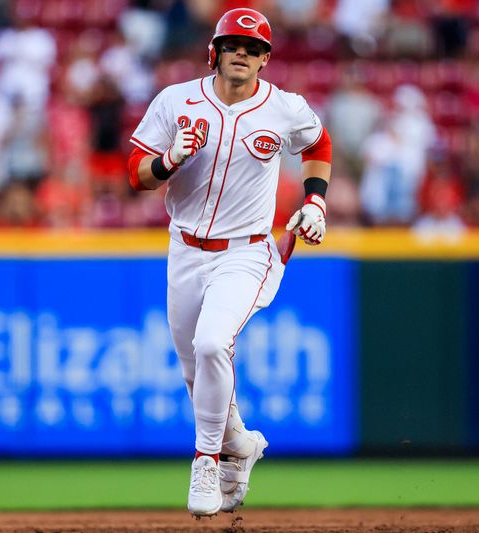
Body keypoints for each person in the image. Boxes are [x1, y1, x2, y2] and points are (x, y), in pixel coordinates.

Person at [127, 8, 333, 517]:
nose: (241, 52)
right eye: (232, 44)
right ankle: (239, 443)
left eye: (253, 47)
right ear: (214, 51)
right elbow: (137, 176)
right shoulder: (177, 101)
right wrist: (169, 161)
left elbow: (318, 143)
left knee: (214, 341)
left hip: (245, 250)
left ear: (265, 59)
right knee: (197, 370)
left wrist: (315, 201)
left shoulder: (283, 108)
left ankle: (206, 458)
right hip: (185, 247)